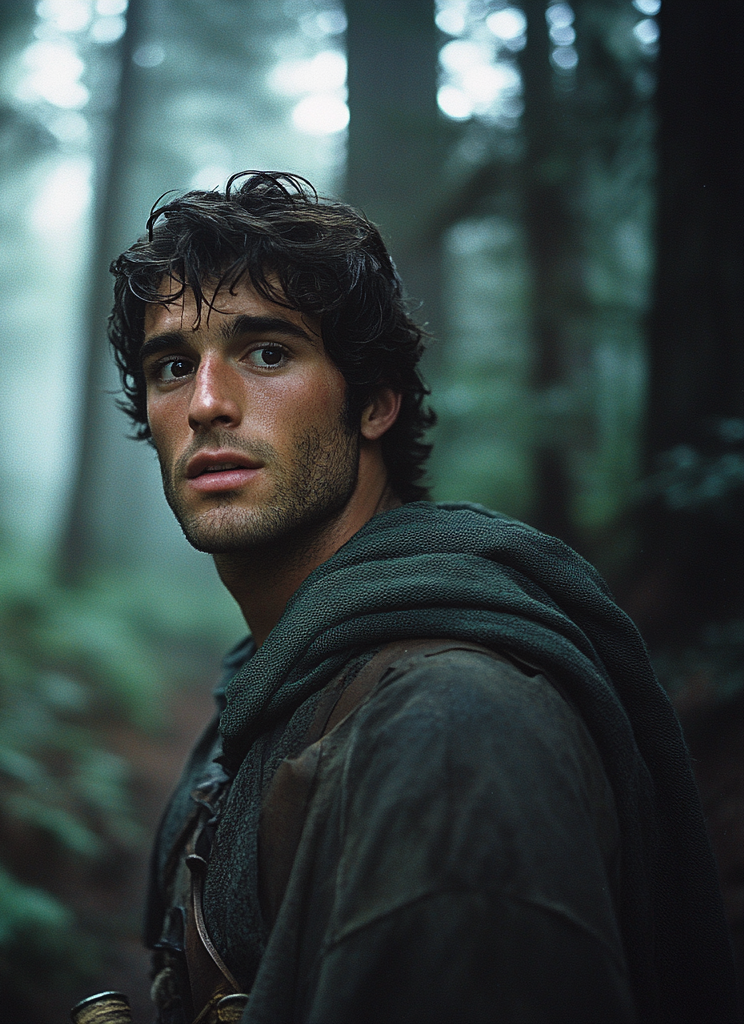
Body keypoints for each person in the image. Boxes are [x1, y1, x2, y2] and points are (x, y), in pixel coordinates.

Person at [102, 172, 738, 1024]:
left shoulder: (454, 729)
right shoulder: (267, 684)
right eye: (173, 365)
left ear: (373, 402)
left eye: (267, 351)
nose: (208, 404)